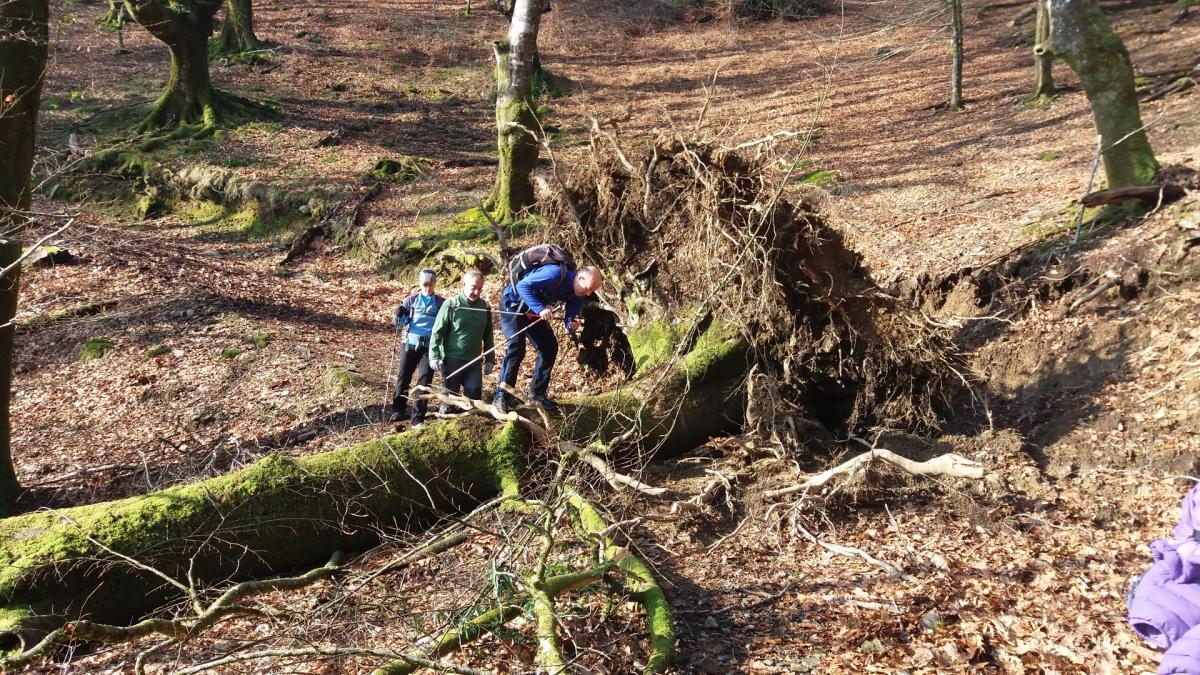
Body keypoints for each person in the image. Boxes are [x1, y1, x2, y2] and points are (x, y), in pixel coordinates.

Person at [494, 259, 603, 413]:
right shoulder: (554, 273)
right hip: (512, 304)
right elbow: (522, 286)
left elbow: (570, 317)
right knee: (516, 347)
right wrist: (540, 309)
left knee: (549, 346)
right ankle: (501, 396)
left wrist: (571, 325)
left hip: (532, 311)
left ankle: (537, 394)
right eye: (588, 288)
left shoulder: (578, 294)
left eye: (592, 291)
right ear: (580, 278)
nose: (589, 293)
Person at [429, 270, 495, 408]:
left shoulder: (484, 307)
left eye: (480, 289)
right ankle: (445, 420)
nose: (476, 292)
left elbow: (488, 336)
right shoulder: (451, 304)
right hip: (451, 359)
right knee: (450, 400)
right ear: (464, 285)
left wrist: (490, 360)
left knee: (473, 395)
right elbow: (437, 332)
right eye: (473, 287)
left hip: (474, 361)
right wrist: (434, 355)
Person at [390, 269, 444, 427]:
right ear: (420, 284)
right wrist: (398, 315)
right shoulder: (411, 300)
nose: (428, 288)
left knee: (424, 380)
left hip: (429, 347)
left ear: (435, 284)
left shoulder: (441, 303)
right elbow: (400, 324)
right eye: (425, 284)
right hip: (409, 344)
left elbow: (444, 324)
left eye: (431, 284)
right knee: (404, 376)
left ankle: (418, 418)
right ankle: (398, 409)